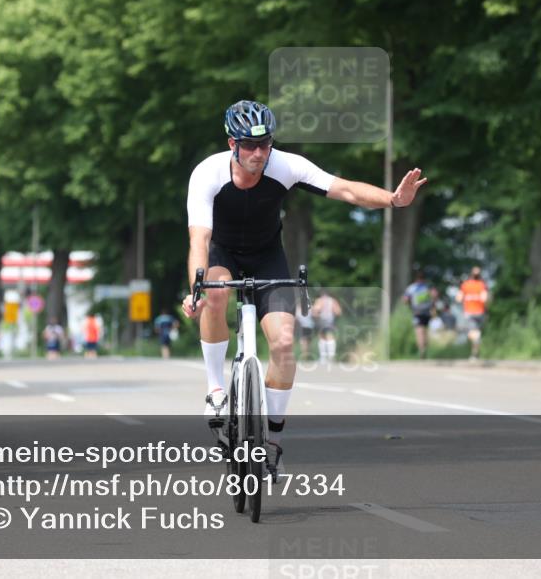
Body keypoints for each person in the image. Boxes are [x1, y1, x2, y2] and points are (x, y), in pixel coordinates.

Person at [181, 99, 427, 482]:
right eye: (250, 145)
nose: (259, 154)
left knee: (282, 344)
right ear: (233, 144)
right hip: (221, 252)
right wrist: (195, 286)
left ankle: (274, 441)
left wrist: (392, 200)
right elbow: (200, 236)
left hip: (268, 257)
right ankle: (215, 387)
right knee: (215, 294)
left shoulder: (286, 165)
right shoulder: (207, 174)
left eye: (266, 145)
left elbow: (343, 189)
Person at [403, 268, 437, 359]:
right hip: (427, 312)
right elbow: (435, 295)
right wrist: (433, 307)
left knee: (419, 331)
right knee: (425, 331)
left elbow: (405, 300)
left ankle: (421, 349)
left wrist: (409, 305)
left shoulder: (411, 287)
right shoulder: (428, 287)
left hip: (417, 312)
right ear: (424, 278)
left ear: (415, 278)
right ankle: (425, 347)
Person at [457, 267, 489, 360]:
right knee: (476, 331)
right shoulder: (482, 285)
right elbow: (485, 299)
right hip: (480, 312)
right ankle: (475, 352)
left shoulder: (465, 285)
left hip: (469, 313)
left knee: (472, 332)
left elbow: (459, 298)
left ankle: (475, 351)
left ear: (471, 275)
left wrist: (466, 300)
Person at [311, 291, 343, 364]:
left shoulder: (319, 300)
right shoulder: (333, 300)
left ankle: (323, 358)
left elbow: (315, 311)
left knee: (322, 337)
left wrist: (316, 315)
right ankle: (331, 357)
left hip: (322, 321)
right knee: (330, 337)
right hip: (331, 321)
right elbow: (338, 312)